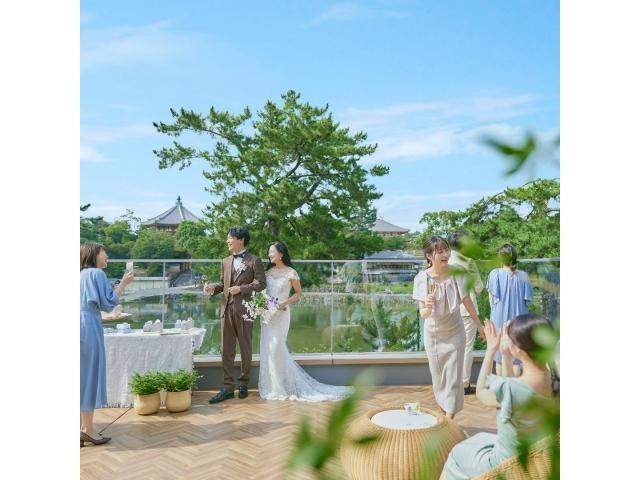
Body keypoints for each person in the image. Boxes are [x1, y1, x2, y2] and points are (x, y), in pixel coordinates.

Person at [441, 314, 559, 479]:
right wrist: (506, 357)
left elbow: (481, 391)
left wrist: (491, 348)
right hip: (538, 460)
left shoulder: (512, 389)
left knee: (456, 453)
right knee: (481, 438)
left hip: (504, 465)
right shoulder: (555, 382)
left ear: (517, 349)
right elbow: (511, 392)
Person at [259, 241, 353, 401]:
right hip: (268, 315)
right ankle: (276, 386)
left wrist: (283, 303)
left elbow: (298, 293)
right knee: (269, 350)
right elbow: (262, 291)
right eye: (269, 252)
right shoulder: (267, 272)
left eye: (272, 252)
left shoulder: (291, 272)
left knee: (276, 347)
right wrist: (264, 303)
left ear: (281, 254)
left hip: (282, 314)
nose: (269, 255)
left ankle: (282, 386)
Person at [412, 236, 485, 419]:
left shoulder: (457, 273)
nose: (445, 254)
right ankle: (444, 414)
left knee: (453, 378)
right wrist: (428, 307)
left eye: (446, 250)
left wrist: (479, 325)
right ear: (429, 256)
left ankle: (449, 420)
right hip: (434, 335)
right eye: (440, 251)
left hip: (455, 332)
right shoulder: (422, 279)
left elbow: (467, 301)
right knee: (439, 379)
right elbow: (423, 314)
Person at [80, 242, 134, 447]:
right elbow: (109, 302)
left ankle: (81, 428)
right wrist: (124, 283)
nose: (107, 256)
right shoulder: (96, 273)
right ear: (94, 254)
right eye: (105, 253)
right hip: (88, 327)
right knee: (90, 377)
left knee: (80, 376)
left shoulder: (80, 274)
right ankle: (88, 430)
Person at [204, 227, 267, 403]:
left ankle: (244, 383)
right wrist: (212, 289)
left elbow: (261, 284)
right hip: (226, 309)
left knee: (245, 348)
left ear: (241, 240)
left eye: (230, 238)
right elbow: (223, 284)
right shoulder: (225, 261)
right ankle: (227, 387)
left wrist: (241, 288)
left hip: (245, 310)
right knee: (226, 349)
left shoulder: (255, 260)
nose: (227, 241)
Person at [487, 244, 533, 375]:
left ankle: (502, 387)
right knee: (516, 358)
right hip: (519, 319)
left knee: (499, 357)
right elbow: (527, 301)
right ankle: (515, 387)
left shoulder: (495, 274)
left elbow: (491, 300)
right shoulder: (524, 276)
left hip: (499, 317)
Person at [448, 230, 484, 395]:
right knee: (467, 347)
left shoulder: (445, 260)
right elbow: (479, 287)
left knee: (451, 346)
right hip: (467, 310)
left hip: (449, 309)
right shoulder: (468, 262)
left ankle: (451, 382)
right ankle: (464, 383)